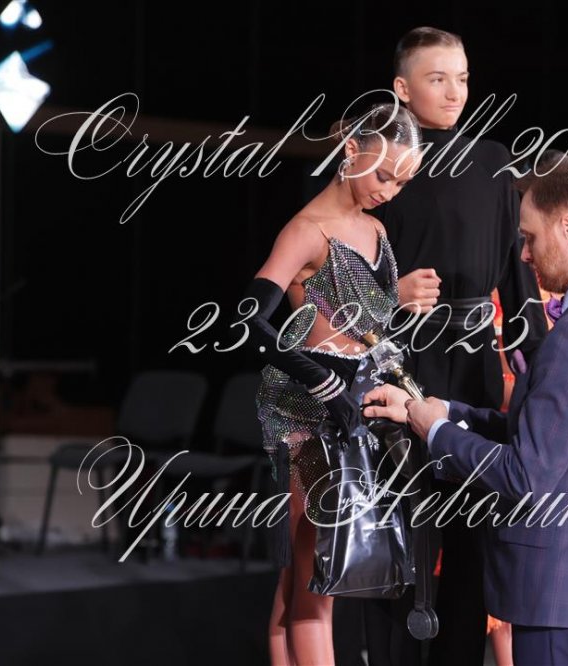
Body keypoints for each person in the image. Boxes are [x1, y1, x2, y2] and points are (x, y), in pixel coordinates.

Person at [365, 158, 568, 664]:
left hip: (565, 596)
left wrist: (433, 429)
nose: (523, 253)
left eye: (530, 237)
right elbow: (559, 440)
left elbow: (526, 473)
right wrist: (445, 411)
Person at [367, 27, 547, 666]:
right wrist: (390, 292)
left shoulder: (492, 159)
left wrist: (540, 364)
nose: (454, 91)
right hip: (402, 361)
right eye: (437, 78)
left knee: (473, 532)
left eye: (463, 78)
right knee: (399, 530)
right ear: (402, 87)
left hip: (473, 368)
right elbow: (335, 275)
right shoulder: (380, 163)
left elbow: (517, 276)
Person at [242, 103, 422, 665]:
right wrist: (321, 381)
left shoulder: (376, 229)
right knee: (317, 581)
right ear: (351, 151)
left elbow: (365, 327)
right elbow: (250, 319)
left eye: (403, 182)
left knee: (308, 575)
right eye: (384, 174)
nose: (390, 190)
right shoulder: (306, 231)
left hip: (358, 408)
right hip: (307, 414)